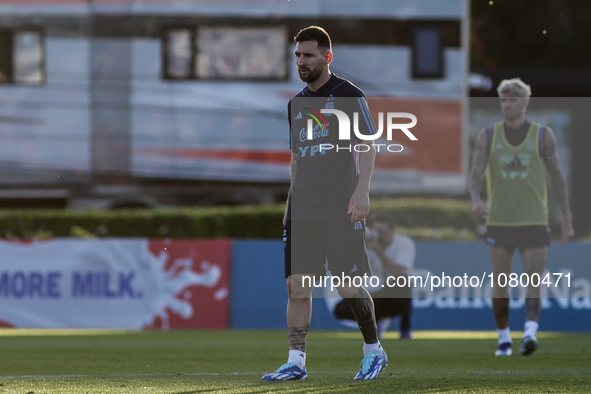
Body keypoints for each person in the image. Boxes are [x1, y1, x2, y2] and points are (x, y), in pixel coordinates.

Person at [262, 26, 386, 381]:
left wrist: (362, 191)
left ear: (327, 57)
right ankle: (296, 362)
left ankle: (373, 351)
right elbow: (297, 158)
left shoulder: (349, 95)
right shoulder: (295, 103)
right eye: (298, 55)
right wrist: (290, 203)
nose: (301, 61)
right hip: (303, 208)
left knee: (347, 284)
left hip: (339, 207)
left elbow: (368, 145)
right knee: (297, 285)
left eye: (309, 55)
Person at [469, 78, 574, 356]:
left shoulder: (542, 135)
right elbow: (476, 173)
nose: (507, 105)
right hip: (499, 221)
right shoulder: (488, 136)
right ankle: (504, 339)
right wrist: (476, 199)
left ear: (525, 102)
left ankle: (530, 333)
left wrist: (566, 218)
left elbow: (557, 178)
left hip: (534, 221)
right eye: (503, 100)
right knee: (500, 281)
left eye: (513, 100)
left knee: (533, 281)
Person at [333, 212, 415, 339]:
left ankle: (405, 329)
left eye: (383, 232)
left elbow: (397, 271)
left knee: (403, 280)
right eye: (378, 232)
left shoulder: (404, 243)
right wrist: (361, 248)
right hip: (374, 294)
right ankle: (375, 321)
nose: (380, 236)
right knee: (340, 309)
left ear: (393, 230)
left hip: (393, 295)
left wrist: (378, 251)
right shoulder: (367, 246)